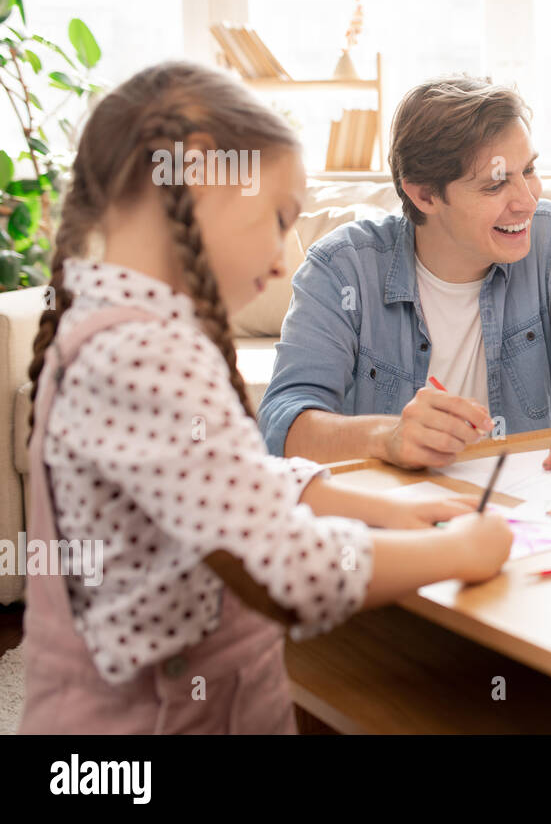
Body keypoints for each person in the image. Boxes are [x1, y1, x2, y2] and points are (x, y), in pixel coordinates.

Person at [19, 62, 512, 734]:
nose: (284, 260)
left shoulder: (108, 323)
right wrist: (463, 551)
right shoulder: (145, 351)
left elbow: (216, 479)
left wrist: (363, 503)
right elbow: (286, 567)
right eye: (280, 218)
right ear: (199, 171)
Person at [258, 77, 551, 480]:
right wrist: (388, 437)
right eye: (495, 185)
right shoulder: (341, 267)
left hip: (528, 507)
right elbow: (283, 424)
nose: (527, 202)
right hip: (392, 517)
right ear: (424, 195)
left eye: (528, 170)